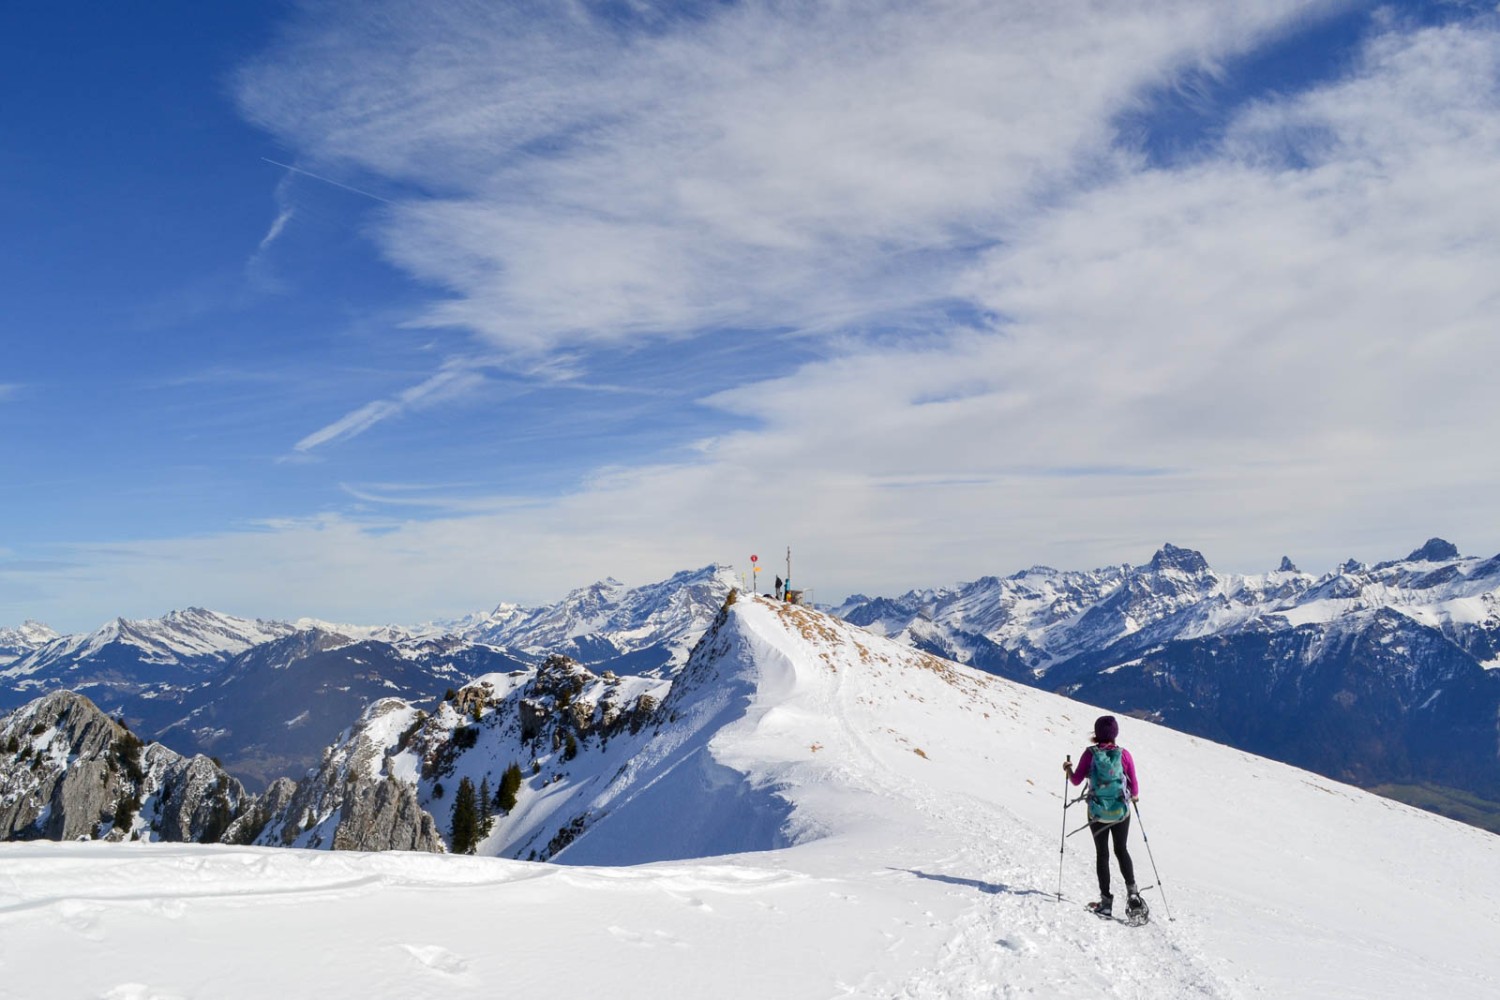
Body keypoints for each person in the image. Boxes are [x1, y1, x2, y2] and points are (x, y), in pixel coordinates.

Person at [1064, 715, 1142, 918]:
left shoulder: (1090, 754)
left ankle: (1106, 903)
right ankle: (1133, 894)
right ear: (1115, 733)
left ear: (1096, 733)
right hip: (1120, 812)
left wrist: (1068, 769)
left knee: (1103, 854)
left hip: (1097, 812)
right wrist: (1132, 797)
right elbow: (1134, 788)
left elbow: (1076, 781)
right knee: (1121, 849)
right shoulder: (1124, 755)